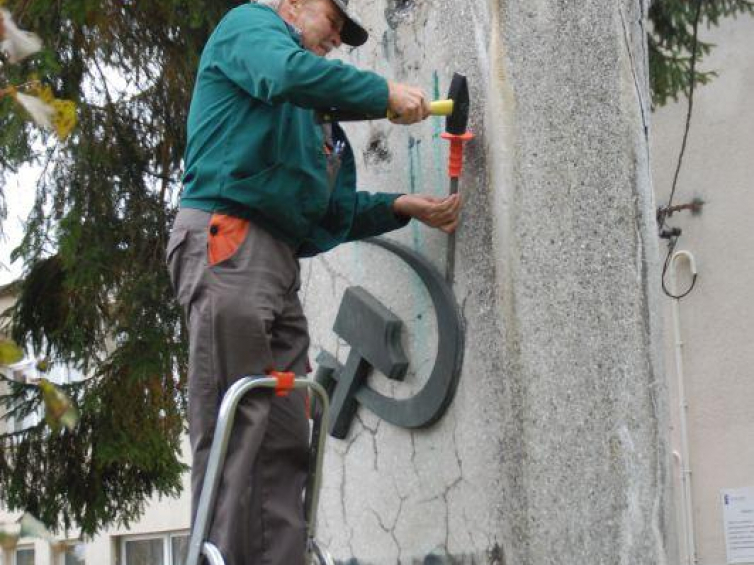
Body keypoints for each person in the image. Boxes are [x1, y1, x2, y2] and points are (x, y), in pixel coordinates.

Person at [166, 0, 462, 563]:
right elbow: (286, 73)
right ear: (293, 3)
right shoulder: (250, 28)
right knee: (236, 422)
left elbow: (327, 214)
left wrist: (401, 206)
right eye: (333, 20)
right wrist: (381, 94)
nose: (337, 38)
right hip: (229, 241)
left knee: (283, 429)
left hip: (274, 263)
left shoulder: (306, 120)